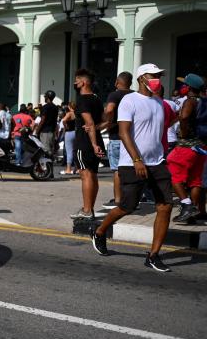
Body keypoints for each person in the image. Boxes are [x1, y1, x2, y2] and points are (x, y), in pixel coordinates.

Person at [90, 65, 173, 272]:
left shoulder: (158, 102)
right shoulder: (129, 100)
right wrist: (137, 159)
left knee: (165, 206)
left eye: (159, 76)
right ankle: (100, 231)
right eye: (154, 76)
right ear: (142, 78)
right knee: (128, 206)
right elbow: (124, 132)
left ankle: (153, 255)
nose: (157, 79)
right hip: (132, 163)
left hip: (158, 162)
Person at [167, 74, 205, 224]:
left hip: (186, 146)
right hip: (200, 146)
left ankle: (187, 205)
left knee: (171, 172)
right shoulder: (203, 102)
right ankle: (192, 214)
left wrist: (183, 131)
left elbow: (184, 117)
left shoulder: (190, 101)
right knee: (195, 180)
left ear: (188, 87)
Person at [71, 69, 106, 219]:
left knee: (86, 176)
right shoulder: (97, 98)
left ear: (84, 82)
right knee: (93, 175)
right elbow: (106, 121)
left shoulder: (82, 99)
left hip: (85, 143)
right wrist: (97, 135)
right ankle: (89, 208)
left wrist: (93, 144)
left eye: (77, 80)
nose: (74, 83)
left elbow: (89, 123)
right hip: (96, 140)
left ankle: (86, 210)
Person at [101, 73, 133, 209]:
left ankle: (118, 200)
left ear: (116, 82)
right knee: (131, 169)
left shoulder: (114, 95)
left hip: (116, 137)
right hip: (131, 138)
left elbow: (109, 109)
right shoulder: (134, 95)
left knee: (117, 170)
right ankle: (132, 199)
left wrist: (107, 122)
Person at [35, 91, 59, 160]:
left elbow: (43, 120)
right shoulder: (55, 107)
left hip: (45, 132)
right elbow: (55, 121)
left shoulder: (45, 107)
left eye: (45, 97)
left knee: (45, 151)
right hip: (52, 131)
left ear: (48, 97)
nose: (44, 98)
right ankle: (50, 166)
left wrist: (37, 131)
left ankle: (47, 168)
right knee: (50, 150)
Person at [60, 102, 78, 175]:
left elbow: (63, 120)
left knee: (69, 151)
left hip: (69, 132)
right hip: (76, 132)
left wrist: (65, 126)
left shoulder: (69, 113)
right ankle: (77, 169)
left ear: (70, 107)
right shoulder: (77, 113)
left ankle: (68, 169)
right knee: (75, 151)